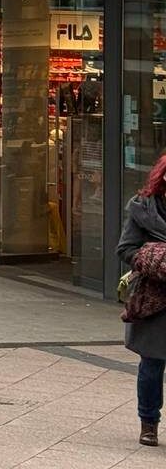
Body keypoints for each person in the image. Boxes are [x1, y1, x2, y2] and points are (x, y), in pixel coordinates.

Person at [118, 153, 166, 446]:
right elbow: (125, 249)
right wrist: (154, 258)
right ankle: (148, 422)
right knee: (152, 364)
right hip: (154, 297)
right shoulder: (142, 209)